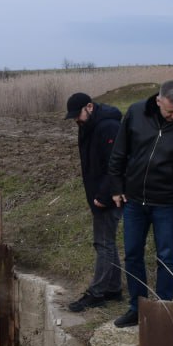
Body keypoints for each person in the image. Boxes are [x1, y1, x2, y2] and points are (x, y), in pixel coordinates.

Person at [107, 80, 173, 328]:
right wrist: (117, 187)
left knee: (166, 256)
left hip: (166, 204)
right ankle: (137, 307)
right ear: (158, 101)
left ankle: (163, 309)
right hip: (133, 201)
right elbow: (119, 152)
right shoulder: (135, 112)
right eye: (170, 111)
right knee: (132, 254)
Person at [64, 92, 124, 312]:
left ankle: (97, 293)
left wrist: (104, 195)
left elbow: (116, 164)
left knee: (103, 244)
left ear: (89, 107)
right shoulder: (89, 125)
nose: (76, 120)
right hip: (98, 195)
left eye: (77, 115)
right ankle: (114, 288)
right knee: (106, 242)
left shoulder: (108, 127)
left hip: (108, 196)